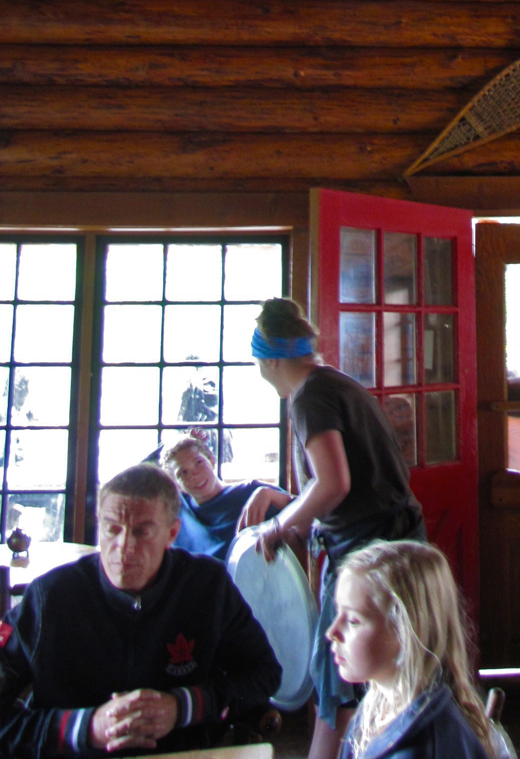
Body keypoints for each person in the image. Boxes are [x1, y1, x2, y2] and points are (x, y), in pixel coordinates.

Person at [240, 297, 425, 759]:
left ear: (271, 360)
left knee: (336, 683)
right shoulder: (335, 384)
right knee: (388, 674)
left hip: (365, 553)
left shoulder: (309, 397)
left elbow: (334, 484)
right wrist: (284, 501)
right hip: (393, 541)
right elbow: (347, 483)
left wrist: (278, 526)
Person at [0, 463, 281, 758]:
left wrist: (183, 706)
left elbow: (264, 673)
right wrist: (86, 728)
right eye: (112, 529)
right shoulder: (50, 596)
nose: (124, 547)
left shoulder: (207, 585)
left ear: (172, 533)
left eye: (142, 532)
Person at [327, 540, 495, 759]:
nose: (332, 632)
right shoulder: (376, 710)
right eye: (337, 612)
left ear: (405, 631)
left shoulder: (424, 748)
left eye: (353, 620)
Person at [162, 433, 286, 563]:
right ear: (176, 484)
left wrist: (270, 494)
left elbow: (300, 508)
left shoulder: (251, 492)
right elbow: (148, 475)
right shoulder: (178, 509)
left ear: (212, 461)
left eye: (198, 463)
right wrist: (186, 435)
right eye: (183, 472)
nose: (194, 475)